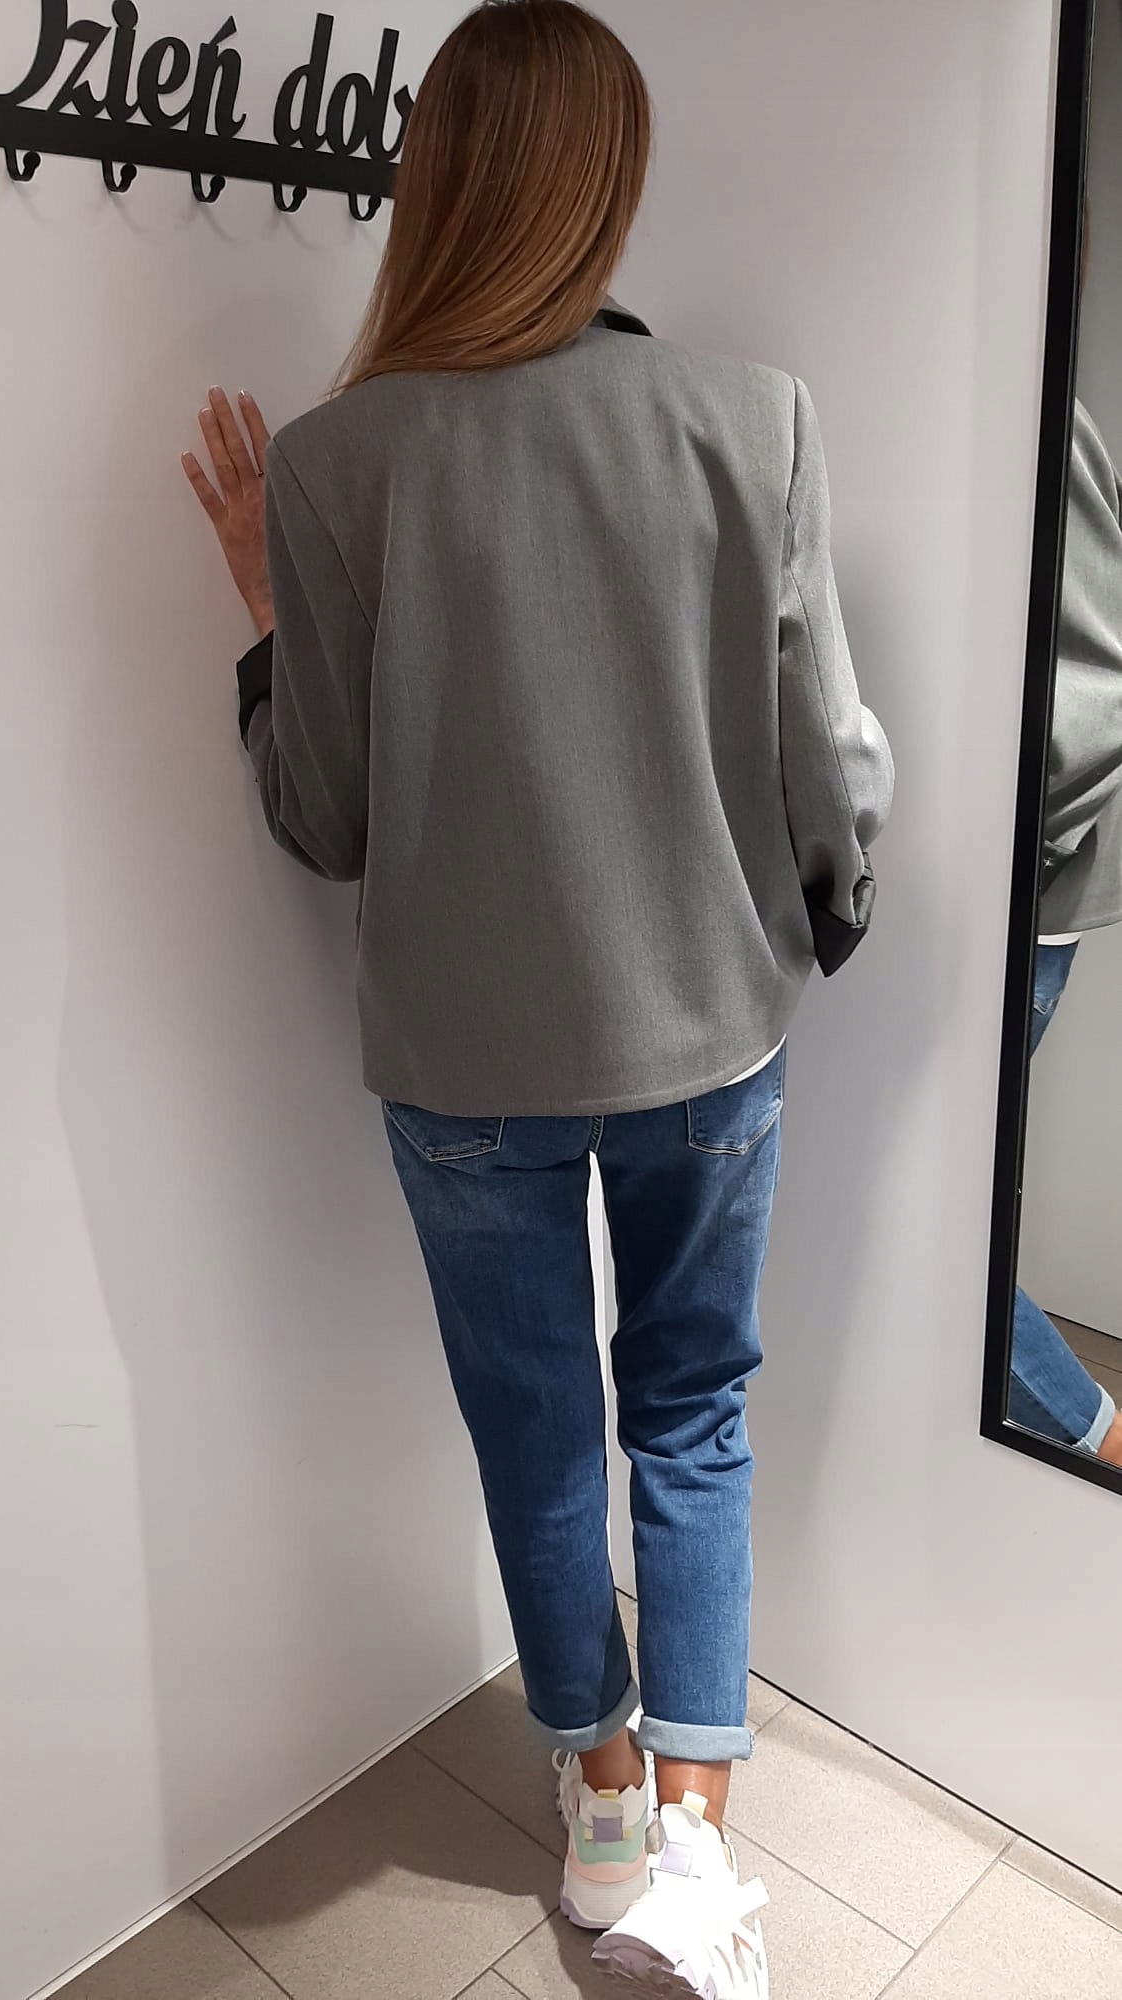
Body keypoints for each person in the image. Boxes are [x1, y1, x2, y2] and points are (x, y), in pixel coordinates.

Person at [182, 5, 893, 1992]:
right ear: (606, 184)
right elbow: (830, 766)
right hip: (708, 1032)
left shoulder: (334, 465)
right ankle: (694, 1840)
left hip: (464, 1064)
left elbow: (323, 820)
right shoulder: (753, 417)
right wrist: (826, 922)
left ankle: (596, 1811)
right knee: (691, 1406)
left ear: (432, 187)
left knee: (535, 1424)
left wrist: (271, 614)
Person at [1009, 396, 1122, 1467]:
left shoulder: (1032, 414)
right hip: (984, 905)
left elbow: (1089, 694)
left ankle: (1096, 1436)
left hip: (1017, 911)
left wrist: (1014, 870)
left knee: (931, 1229)